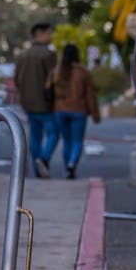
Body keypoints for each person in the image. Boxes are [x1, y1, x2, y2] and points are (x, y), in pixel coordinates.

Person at [49, 43, 101, 179]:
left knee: (66, 141)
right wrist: (95, 114)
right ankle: (72, 164)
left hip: (59, 110)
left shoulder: (56, 71)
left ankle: (67, 167)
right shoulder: (83, 72)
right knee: (77, 141)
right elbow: (91, 95)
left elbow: (48, 89)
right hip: (79, 110)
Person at [14, 22, 58, 178]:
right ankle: (44, 160)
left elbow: (17, 80)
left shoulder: (22, 55)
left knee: (35, 137)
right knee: (53, 133)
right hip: (45, 103)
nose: (50, 36)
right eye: (48, 33)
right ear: (40, 34)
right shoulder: (48, 54)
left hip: (27, 103)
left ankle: (37, 169)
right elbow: (53, 78)